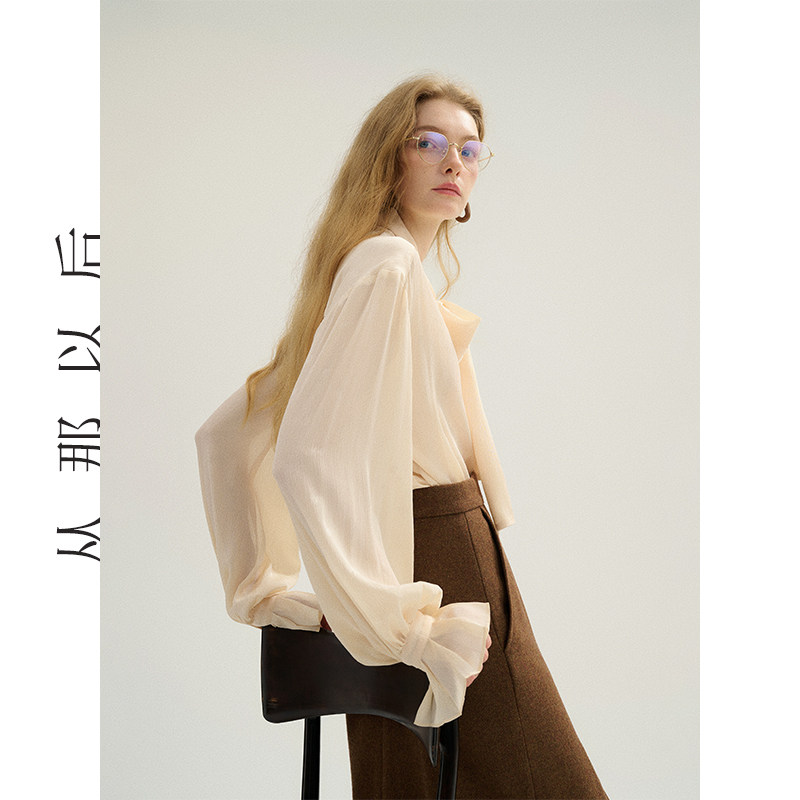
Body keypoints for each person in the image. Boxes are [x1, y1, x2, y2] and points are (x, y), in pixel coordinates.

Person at [196, 74, 607, 799]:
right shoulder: (386, 266)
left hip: (400, 556)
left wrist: (291, 589)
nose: (455, 163)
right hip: (443, 554)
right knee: (544, 780)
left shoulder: (369, 261)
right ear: (388, 158)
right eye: (429, 143)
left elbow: (228, 434)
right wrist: (389, 617)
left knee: (405, 783)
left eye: (470, 150)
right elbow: (301, 456)